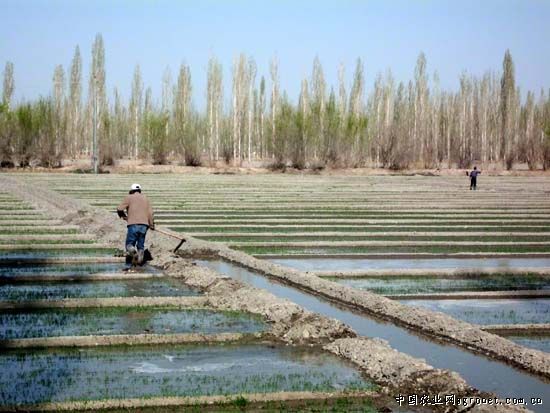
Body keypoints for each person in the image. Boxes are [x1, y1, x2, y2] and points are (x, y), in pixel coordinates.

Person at [117, 183, 155, 265]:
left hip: (133, 224)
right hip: (144, 225)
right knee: (141, 245)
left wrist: (124, 216)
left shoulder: (129, 197)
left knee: (129, 244)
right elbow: (150, 213)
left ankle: (132, 251)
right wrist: (151, 225)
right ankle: (139, 262)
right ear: (140, 190)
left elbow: (119, 208)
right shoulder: (145, 198)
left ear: (131, 191)